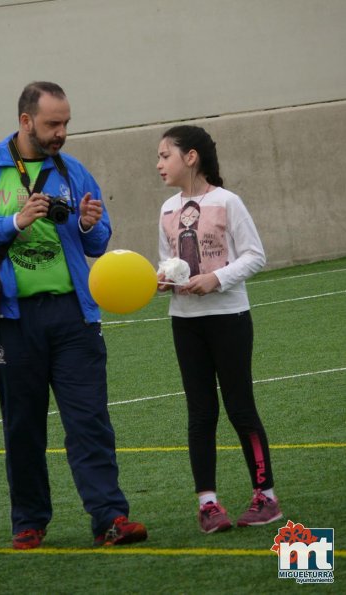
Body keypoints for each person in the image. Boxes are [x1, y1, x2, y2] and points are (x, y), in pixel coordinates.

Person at [0, 81, 147, 549]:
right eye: (52, 124)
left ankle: (110, 518)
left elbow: (98, 241)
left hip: (73, 316)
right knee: (22, 424)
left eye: (65, 124)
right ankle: (29, 521)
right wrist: (15, 221)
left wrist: (88, 222)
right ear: (25, 122)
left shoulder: (72, 169)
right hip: (12, 320)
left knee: (90, 420)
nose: (61, 133)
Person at [156, 125, 282, 533]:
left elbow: (254, 256)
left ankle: (266, 496)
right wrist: (164, 280)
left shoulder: (228, 202)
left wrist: (217, 278)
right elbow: (168, 261)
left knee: (240, 407)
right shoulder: (166, 210)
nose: (159, 164)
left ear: (191, 157)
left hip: (229, 319)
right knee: (200, 413)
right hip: (185, 324)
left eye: (165, 156)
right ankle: (208, 504)